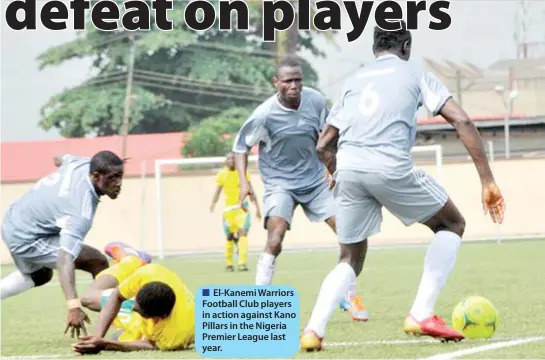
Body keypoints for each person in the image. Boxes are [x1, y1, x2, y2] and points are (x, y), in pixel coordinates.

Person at [299, 22, 506, 351]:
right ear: (406, 47)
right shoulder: (414, 74)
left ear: (375, 49)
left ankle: (313, 330)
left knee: (350, 256)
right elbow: (461, 120)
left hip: (350, 167)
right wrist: (487, 179)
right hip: (389, 165)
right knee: (452, 223)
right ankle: (421, 312)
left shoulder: (354, 81)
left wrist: (335, 171)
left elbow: (324, 143)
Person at [232, 56, 369, 321]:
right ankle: (261, 302)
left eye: (298, 80)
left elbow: (328, 136)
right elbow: (240, 148)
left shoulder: (316, 101)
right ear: (276, 83)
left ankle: (349, 296)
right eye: (288, 81)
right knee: (276, 237)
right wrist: (244, 181)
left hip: (315, 181)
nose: (294, 85)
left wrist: (335, 169)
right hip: (280, 184)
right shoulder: (264, 115)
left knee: (348, 232)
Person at [0, 151, 125, 338]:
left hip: (15, 220)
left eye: (120, 176)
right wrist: (73, 306)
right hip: (26, 237)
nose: (119, 183)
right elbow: (64, 258)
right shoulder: (80, 210)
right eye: (112, 178)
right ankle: (123, 322)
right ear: (96, 176)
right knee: (97, 262)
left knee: (40, 276)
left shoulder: (80, 164)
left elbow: (59, 157)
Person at [72, 241, 195, 354]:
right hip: (149, 298)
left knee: (117, 338)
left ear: (161, 316)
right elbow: (117, 296)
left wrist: (107, 344)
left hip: (163, 324)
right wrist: (97, 336)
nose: (132, 308)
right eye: (134, 304)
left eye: (139, 311)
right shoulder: (147, 274)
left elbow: (151, 345)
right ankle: (132, 260)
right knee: (88, 299)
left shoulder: (176, 335)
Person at [210, 152, 262, 272]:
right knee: (229, 236)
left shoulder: (243, 173)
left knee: (242, 234)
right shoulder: (222, 175)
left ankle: (242, 263)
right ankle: (229, 263)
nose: (231, 161)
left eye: (233, 158)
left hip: (242, 210)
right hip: (229, 212)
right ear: (226, 161)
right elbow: (217, 191)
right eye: (228, 159)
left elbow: (251, 191)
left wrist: (258, 208)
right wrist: (213, 203)